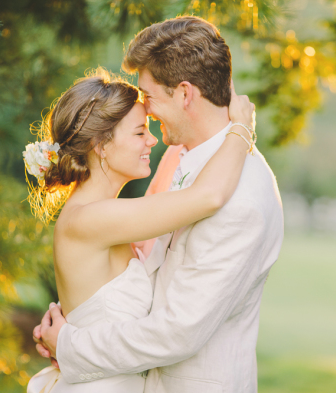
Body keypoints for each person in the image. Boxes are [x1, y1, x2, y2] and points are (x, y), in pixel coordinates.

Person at [33, 16, 284, 393]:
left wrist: (71, 342)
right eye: (138, 130)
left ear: (184, 94)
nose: (147, 113)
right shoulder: (190, 165)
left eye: (148, 97)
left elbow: (176, 331)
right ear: (101, 145)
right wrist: (79, 319)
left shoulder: (238, 194)